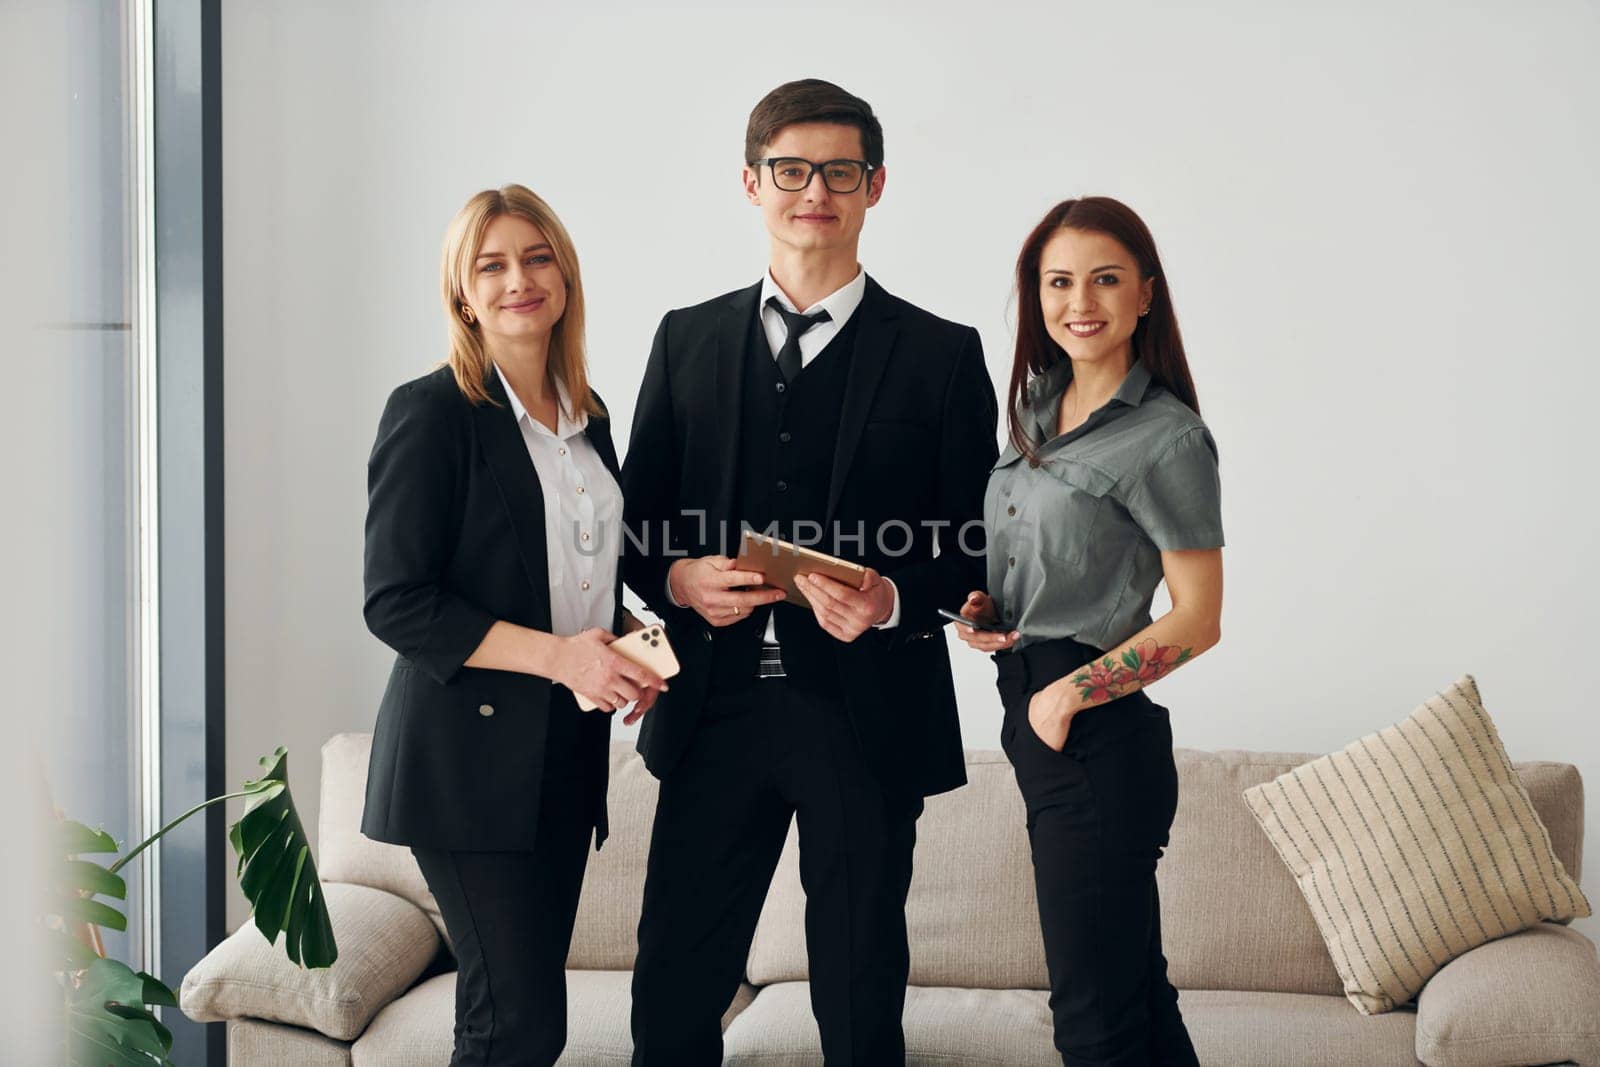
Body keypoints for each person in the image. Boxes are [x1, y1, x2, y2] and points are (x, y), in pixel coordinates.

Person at [621, 79, 998, 1065]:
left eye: (838, 171)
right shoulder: (684, 338)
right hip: (712, 708)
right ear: (751, 184)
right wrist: (676, 579)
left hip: (863, 714)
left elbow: (977, 542)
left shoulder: (942, 356)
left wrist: (890, 600)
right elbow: (630, 526)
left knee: (859, 988)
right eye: (791, 170)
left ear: (875, 186)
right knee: (671, 982)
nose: (813, 191)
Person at [360, 184, 666, 1067]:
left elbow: (578, 581)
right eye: (490, 264)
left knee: (527, 1023)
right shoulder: (432, 413)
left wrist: (629, 649)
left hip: (562, 760)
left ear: (565, 277)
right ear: (462, 292)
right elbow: (396, 599)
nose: (517, 279)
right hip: (464, 766)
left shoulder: (589, 416)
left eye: (536, 258)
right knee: (512, 1026)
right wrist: (566, 658)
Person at [954, 196, 1223, 1067]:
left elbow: (1198, 618)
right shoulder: (1035, 406)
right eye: (1059, 281)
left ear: (1146, 294)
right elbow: (1047, 559)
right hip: (1034, 707)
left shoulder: (1168, 437)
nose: (1082, 300)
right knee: (1133, 998)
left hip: (1096, 734)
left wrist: (1069, 692)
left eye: (1106, 278)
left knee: (1094, 1020)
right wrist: (996, 613)